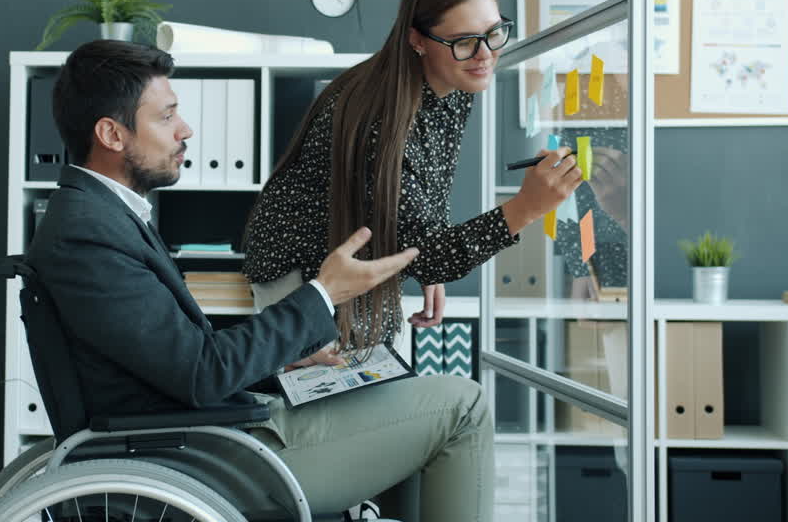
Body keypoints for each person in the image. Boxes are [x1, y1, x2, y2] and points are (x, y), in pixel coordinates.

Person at [28, 39, 495, 520]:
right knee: (464, 405)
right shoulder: (87, 234)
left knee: (396, 396)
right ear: (111, 134)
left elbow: (178, 357)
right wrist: (325, 291)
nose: (185, 130)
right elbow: (200, 373)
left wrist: (284, 357)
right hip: (210, 459)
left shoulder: (101, 216)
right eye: (166, 117)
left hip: (209, 433)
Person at [243, 0, 584, 362]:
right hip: (301, 271)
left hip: (356, 258)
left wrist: (429, 254)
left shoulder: (452, 82)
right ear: (418, 40)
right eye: (464, 41)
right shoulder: (382, 119)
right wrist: (525, 208)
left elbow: (429, 180)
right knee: (336, 390)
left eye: (494, 33)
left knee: (375, 375)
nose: (485, 54)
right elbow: (424, 238)